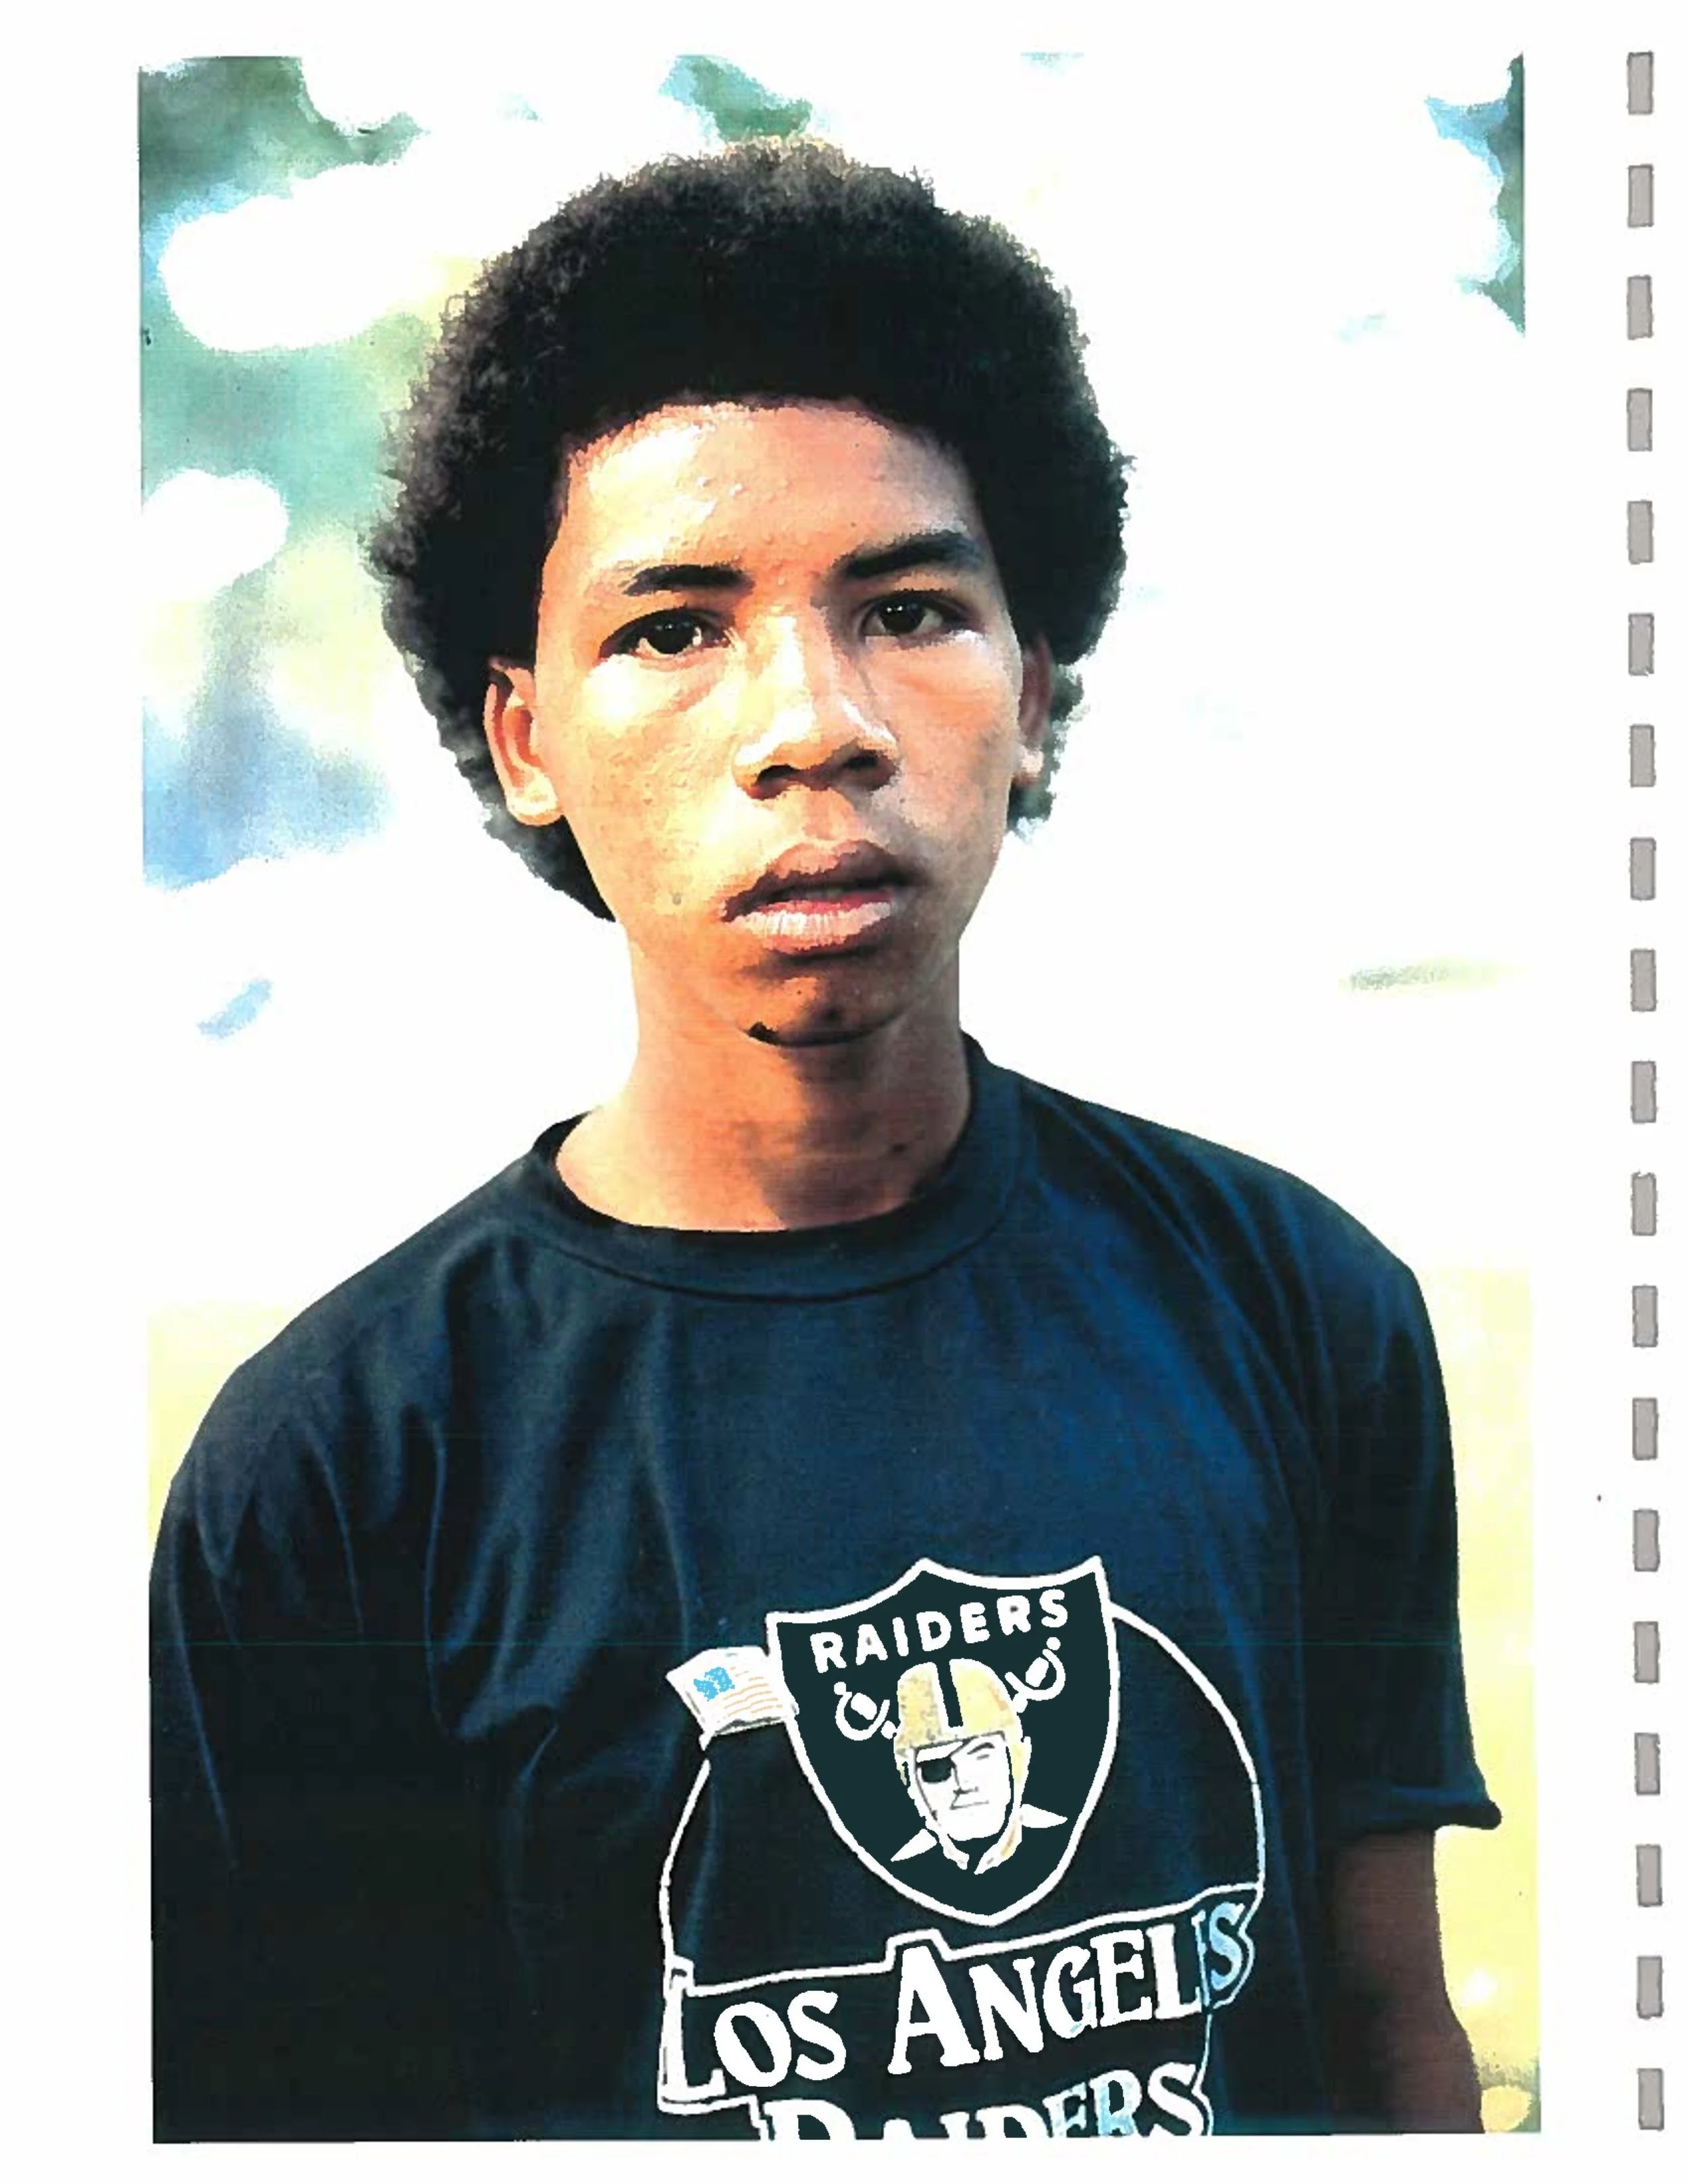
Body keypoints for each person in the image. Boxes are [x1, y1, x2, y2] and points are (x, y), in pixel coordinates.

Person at [151, 139, 1500, 2142]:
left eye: (909, 608)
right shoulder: (336, 1474)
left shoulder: (1297, 1307)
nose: (813, 720)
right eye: (673, 630)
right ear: (525, 738)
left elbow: (1389, 2027)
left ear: (1031, 697)